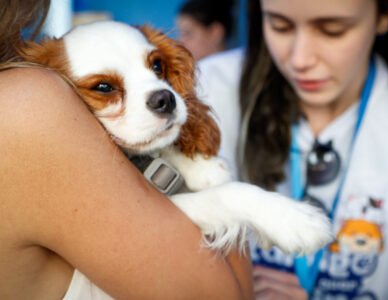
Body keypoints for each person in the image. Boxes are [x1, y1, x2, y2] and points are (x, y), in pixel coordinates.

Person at [0, 1, 255, 299]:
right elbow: (227, 293)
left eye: (156, 67)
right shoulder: (26, 101)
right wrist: (237, 201)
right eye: (105, 89)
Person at [197, 0, 388, 298]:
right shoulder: (208, 90)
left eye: (332, 31)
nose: (300, 59)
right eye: (280, 26)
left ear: (385, 15)